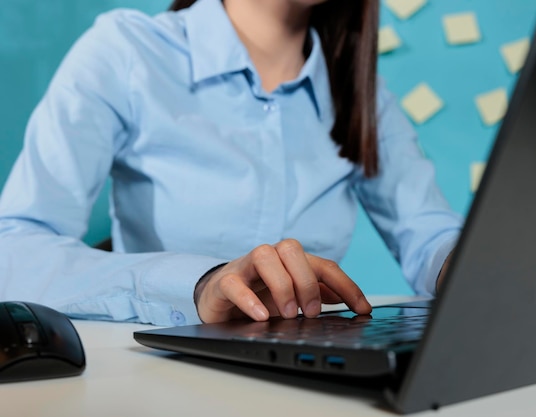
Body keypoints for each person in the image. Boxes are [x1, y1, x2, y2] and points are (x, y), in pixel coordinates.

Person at [0, 0, 463, 327]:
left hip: (309, 372)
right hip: (154, 373)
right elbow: (15, 250)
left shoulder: (367, 99)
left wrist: (472, 266)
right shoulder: (126, 51)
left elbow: (431, 236)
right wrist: (197, 284)